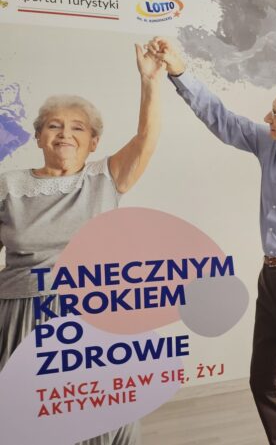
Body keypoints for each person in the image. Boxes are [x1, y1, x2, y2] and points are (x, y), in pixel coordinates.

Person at [0, 43, 165, 445]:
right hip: (22, 312)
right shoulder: (7, 185)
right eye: (54, 126)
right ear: (38, 137)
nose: (65, 134)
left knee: (103, 420)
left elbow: (146, 138)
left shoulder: (105, 178)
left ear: (93, 142)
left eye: (78, 128)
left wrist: (149, 82)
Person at [152, 37, 276, 445]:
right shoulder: (267, 143)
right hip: (271, 278)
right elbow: (220, 118)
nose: (266, 117)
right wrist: (178, 71)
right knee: (263, 380)